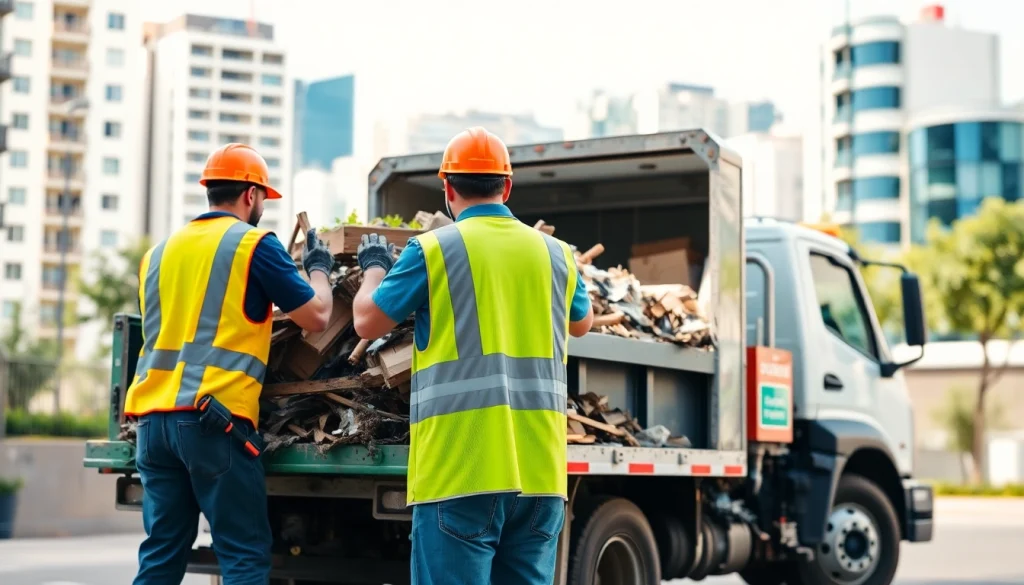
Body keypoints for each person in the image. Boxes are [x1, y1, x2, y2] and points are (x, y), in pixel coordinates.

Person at [352, 127, 595, 585]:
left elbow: (367, 322)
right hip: (540, 474)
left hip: (461, 471)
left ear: (447, 189)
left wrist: (374, 270)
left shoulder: (433, 250)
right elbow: (581, 323)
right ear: (507, 187)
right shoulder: (557, 255)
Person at [124, 143, 336, 585]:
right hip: (212, 422)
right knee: (243, 555)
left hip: (152, 422)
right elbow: (317, 316)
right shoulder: (252, 244)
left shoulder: (158, 254)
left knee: (160, 555)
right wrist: (318, 270)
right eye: (263, 198)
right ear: (251, 195)